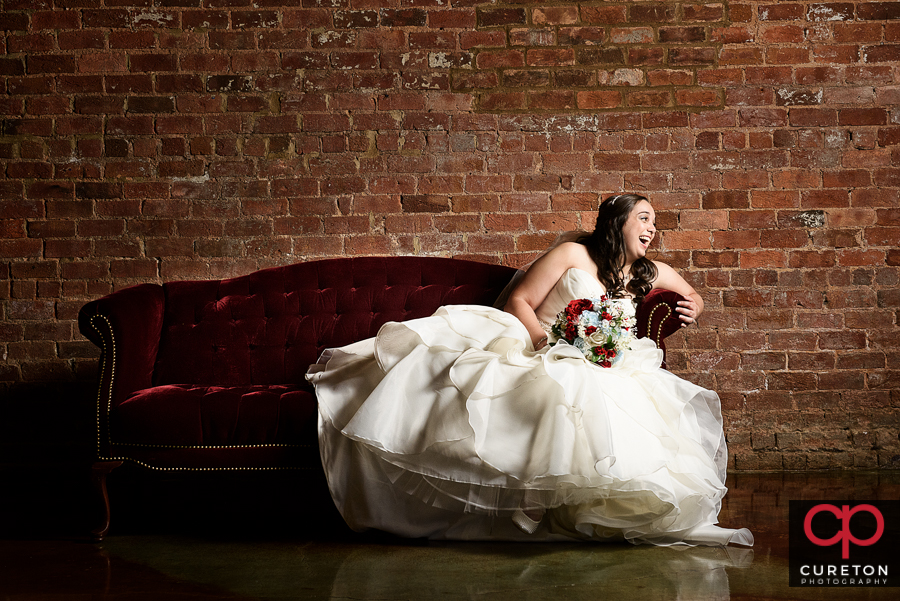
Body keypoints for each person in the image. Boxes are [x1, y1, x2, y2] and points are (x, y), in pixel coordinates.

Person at [307, 194, 753, 547]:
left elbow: (692, 295)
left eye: (655, 221)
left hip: (599, 360)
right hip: (542, 343)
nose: (652, 227)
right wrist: (548, 342)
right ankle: (528, 508)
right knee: (555, 385)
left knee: (617, 397)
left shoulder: (646, 272)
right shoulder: (572, 254)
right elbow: (520, 300)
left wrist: (693, 304)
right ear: (617, 221)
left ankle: (593, 507)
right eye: (644, 217)